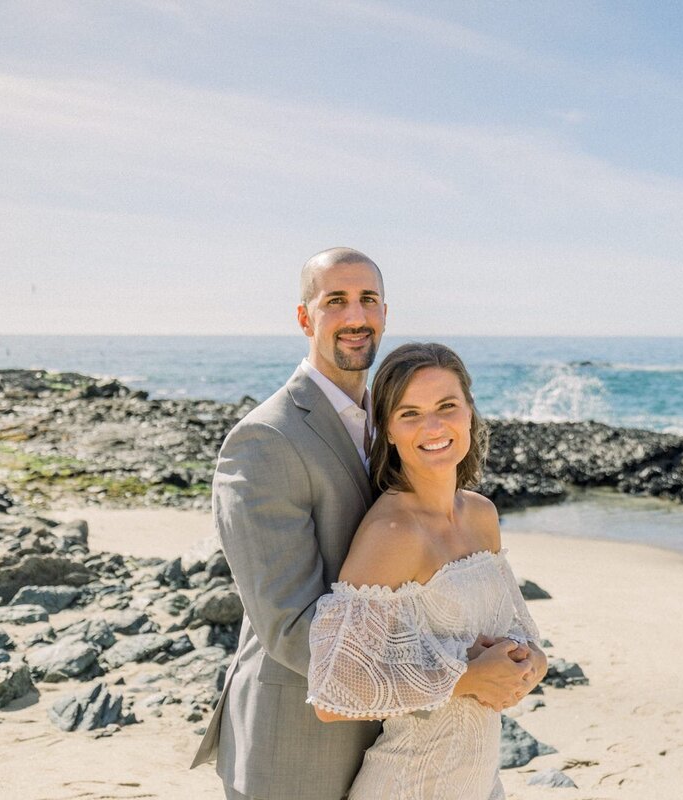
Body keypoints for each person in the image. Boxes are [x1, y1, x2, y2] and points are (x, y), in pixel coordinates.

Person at [191, 249, 531, 800]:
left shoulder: (394, 418)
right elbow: (288, 623)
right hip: (298, 742)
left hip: (402, 739)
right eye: (336, 301)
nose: (356, 316)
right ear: (305, 318)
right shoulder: (265, 440)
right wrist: (459, 674)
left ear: (385, 313)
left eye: (367, 299)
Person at [306, 342, 549, 800]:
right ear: (387, 431)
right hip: (410, 784)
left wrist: (532, 661)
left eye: (446, 407)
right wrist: (469, 677)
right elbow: (333, 692)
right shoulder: (393, 531)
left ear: (470, 414)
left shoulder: (481, 514)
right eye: (410, 413)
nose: (433, 426)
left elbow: (519, 632)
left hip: (479, 783)